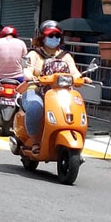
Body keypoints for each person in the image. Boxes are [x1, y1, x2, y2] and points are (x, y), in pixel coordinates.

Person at [20, 20, 90, 154]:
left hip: (61, 93)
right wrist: (30, 76)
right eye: (50, 35)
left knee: (76, 106)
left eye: (57, 36)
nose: (54, 38)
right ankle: (35, 141)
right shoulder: (34, 54)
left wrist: (82, 78)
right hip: (36, 91)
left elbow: (75, 73)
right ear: (42, 37)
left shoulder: (65, 56)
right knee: (35, 107)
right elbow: (27, 69)